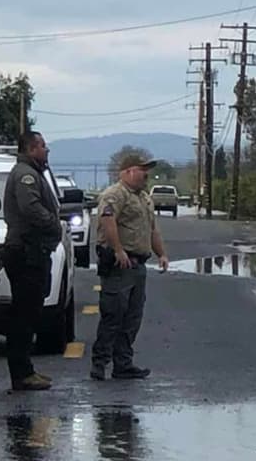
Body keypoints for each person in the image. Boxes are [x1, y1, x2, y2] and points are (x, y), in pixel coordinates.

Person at [91, 150, 170, 381]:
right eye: (142, 169)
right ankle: (100, 363)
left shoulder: (144, 198)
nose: (146, 174)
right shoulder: (115, 194)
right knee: (113, 315)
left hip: (138, 264)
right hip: (119, 264)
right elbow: (107, 220)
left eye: (147, 170)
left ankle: (123, 363)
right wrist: (117, 249)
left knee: (132, 317)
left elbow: (152, 229)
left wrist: (162, 254)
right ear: (127, 171)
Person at [2, 130, 61, 391]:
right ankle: (21, 373)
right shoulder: (25, 175)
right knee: (24, 315)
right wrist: (52, 224)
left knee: (29, 312)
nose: (46, 150)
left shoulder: (34, 172)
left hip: (32, 251)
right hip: (25, 251)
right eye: (43, 146)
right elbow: (30, 208)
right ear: (31, 149)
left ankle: (26, 370)